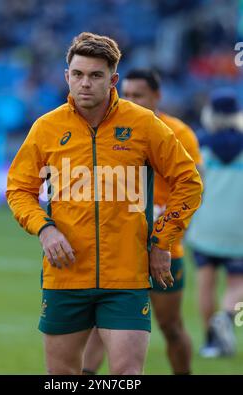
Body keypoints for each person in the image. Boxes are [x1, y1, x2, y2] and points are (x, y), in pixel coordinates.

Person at [6, 33, 203, 375]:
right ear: (66, 75)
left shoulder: (144, 124)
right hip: (65, 277)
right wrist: (45, 229)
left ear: (112, 80)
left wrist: (162, 240)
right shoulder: (46, 128)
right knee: (63, 377)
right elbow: (18, 189)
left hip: (126, 278)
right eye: (78, 74)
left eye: (96, 76)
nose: (85, 84)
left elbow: (189, 182)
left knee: (126, 376)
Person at [83, 69, 202, 375]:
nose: (131, 100)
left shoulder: (179, 133)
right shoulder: (110, 128)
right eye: (127, 94)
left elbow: (191, 187)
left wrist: (167, 233)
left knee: (171, 327)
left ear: (157, 97)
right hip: (120, 247)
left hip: (164, 248)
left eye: (139, 95)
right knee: (99, 326)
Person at [187, 88, 243, 358]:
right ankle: (227, 315)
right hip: (239, 227)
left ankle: (210, 341)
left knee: (205, 283)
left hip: (206, 224)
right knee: (237, 283)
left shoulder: (199, 144)